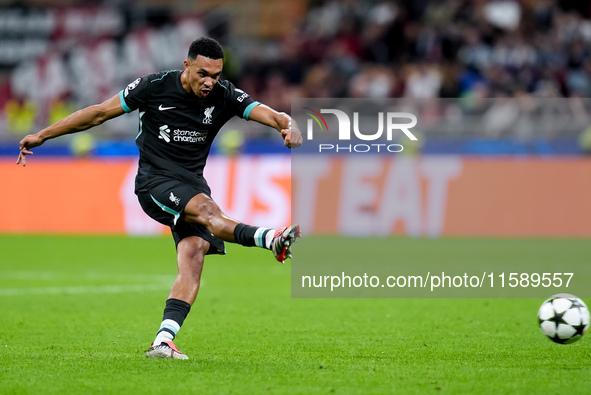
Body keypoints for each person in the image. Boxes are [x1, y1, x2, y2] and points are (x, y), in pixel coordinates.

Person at [16, 37, 302, 360]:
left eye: (216, 75)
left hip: (192, 183)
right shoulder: (154, 87)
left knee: (194, 256)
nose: (209, 82)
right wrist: (42, 134)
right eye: (203, 73)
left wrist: (290, 126)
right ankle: (271, 238)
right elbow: (98, 114)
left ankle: (163, 341)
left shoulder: (225, 95)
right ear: (187, 66)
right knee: (209, 211)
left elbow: (274, 115)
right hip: (154, 181)